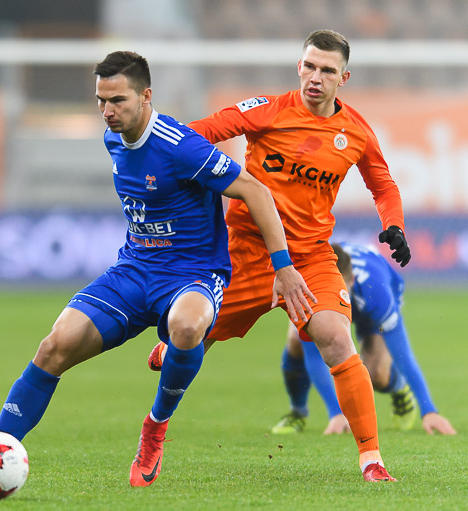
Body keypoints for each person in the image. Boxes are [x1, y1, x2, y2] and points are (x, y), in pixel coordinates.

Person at [0, 50, 313, 489]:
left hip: (193, 273)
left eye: (117, 100)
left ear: (146, 96)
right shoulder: (113, 138)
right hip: (134, 270)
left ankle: (155, 427)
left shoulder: (181, 146)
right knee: (54, 346)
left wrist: (283, 267)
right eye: (101, 100)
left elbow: (256, 192)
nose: (107, 111)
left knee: (188, 327)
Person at [148, 29, 411, 482]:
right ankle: (164, 385)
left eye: (327, 70)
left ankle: (372, 460)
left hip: (310, 258)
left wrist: (394, 223)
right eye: (309, 66)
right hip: (246, 254)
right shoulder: (266, 110)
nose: (316, 77)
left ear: (343, 78)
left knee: (336, 338)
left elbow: (383, 185)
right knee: (194, 338)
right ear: (299, 67)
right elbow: (198, 133)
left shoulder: (356, 132)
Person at [272, 242, 457, 437]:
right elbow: (313, 354)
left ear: (351, 281)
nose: (332, 298)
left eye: (338, 289)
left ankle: (400, 388)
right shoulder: (313, 287)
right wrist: (337, 413)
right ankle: (297, 412)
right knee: (295, 341)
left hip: (374, 294)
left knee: (376, 374)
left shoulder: (377, 293)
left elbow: (402, 353)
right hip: (322, 291)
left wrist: (429, 411)